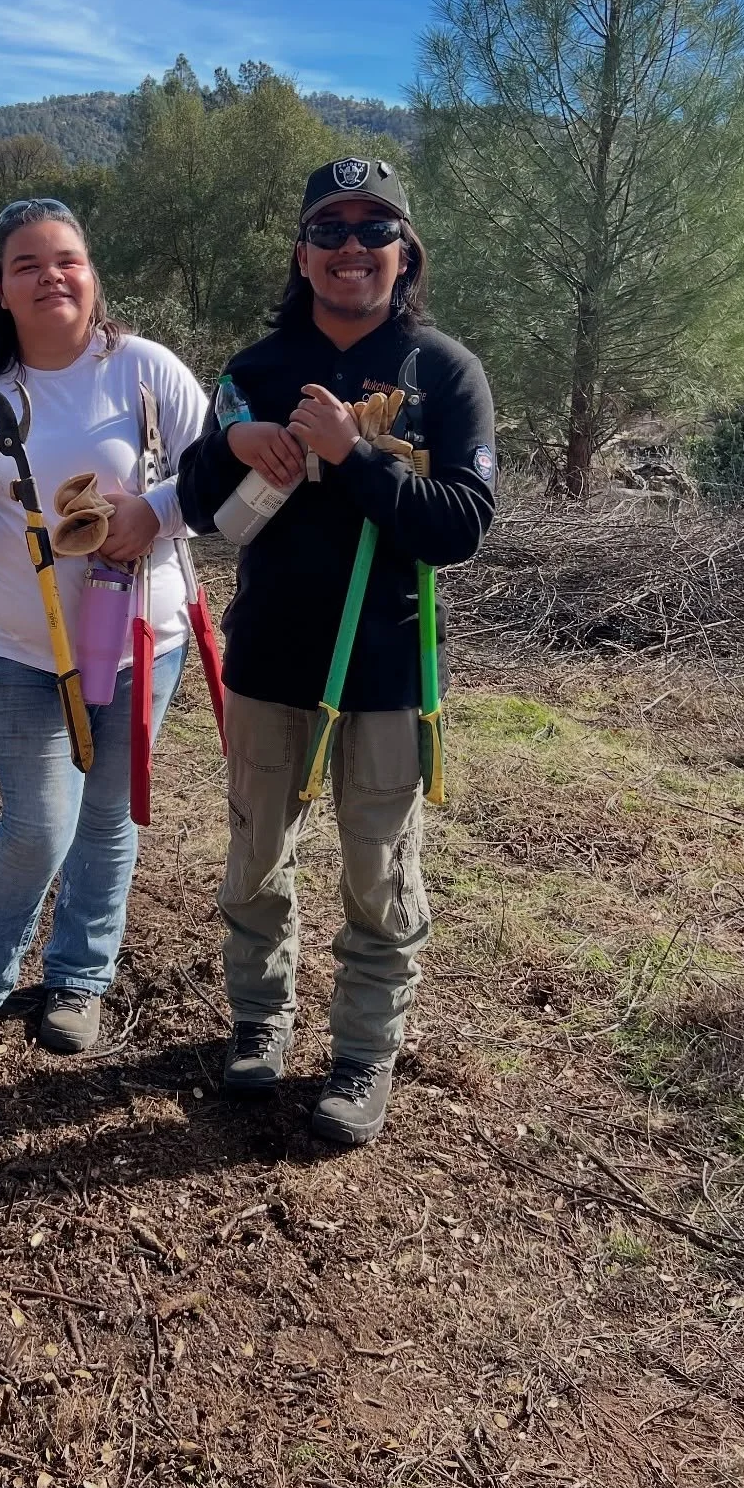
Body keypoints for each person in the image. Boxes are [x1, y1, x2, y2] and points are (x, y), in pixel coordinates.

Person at [177, 157, 496, 1146]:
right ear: (302, 254)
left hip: (391, 668)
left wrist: (352, 458)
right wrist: (238, 448)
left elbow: (463, 525)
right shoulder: (252, 370)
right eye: (330, 230)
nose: (351, 248)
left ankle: (361, 1057)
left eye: (374, 230)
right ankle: (259, 1024)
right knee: (256, 860)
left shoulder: (444, 374)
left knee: (381, 872)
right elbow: (193, 500)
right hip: (271, 659)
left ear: (405, 254)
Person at [0, 197, 207, 1058]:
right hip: (24, 651)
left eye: (66, 259)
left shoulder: (147, 372)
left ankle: (79, 980)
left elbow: (212, 478)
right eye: (28, 266)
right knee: (40, 823)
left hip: (142, 643)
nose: (51, 277)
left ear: (92, 275)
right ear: (1, 289)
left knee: (109, 819)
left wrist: (152, 511)